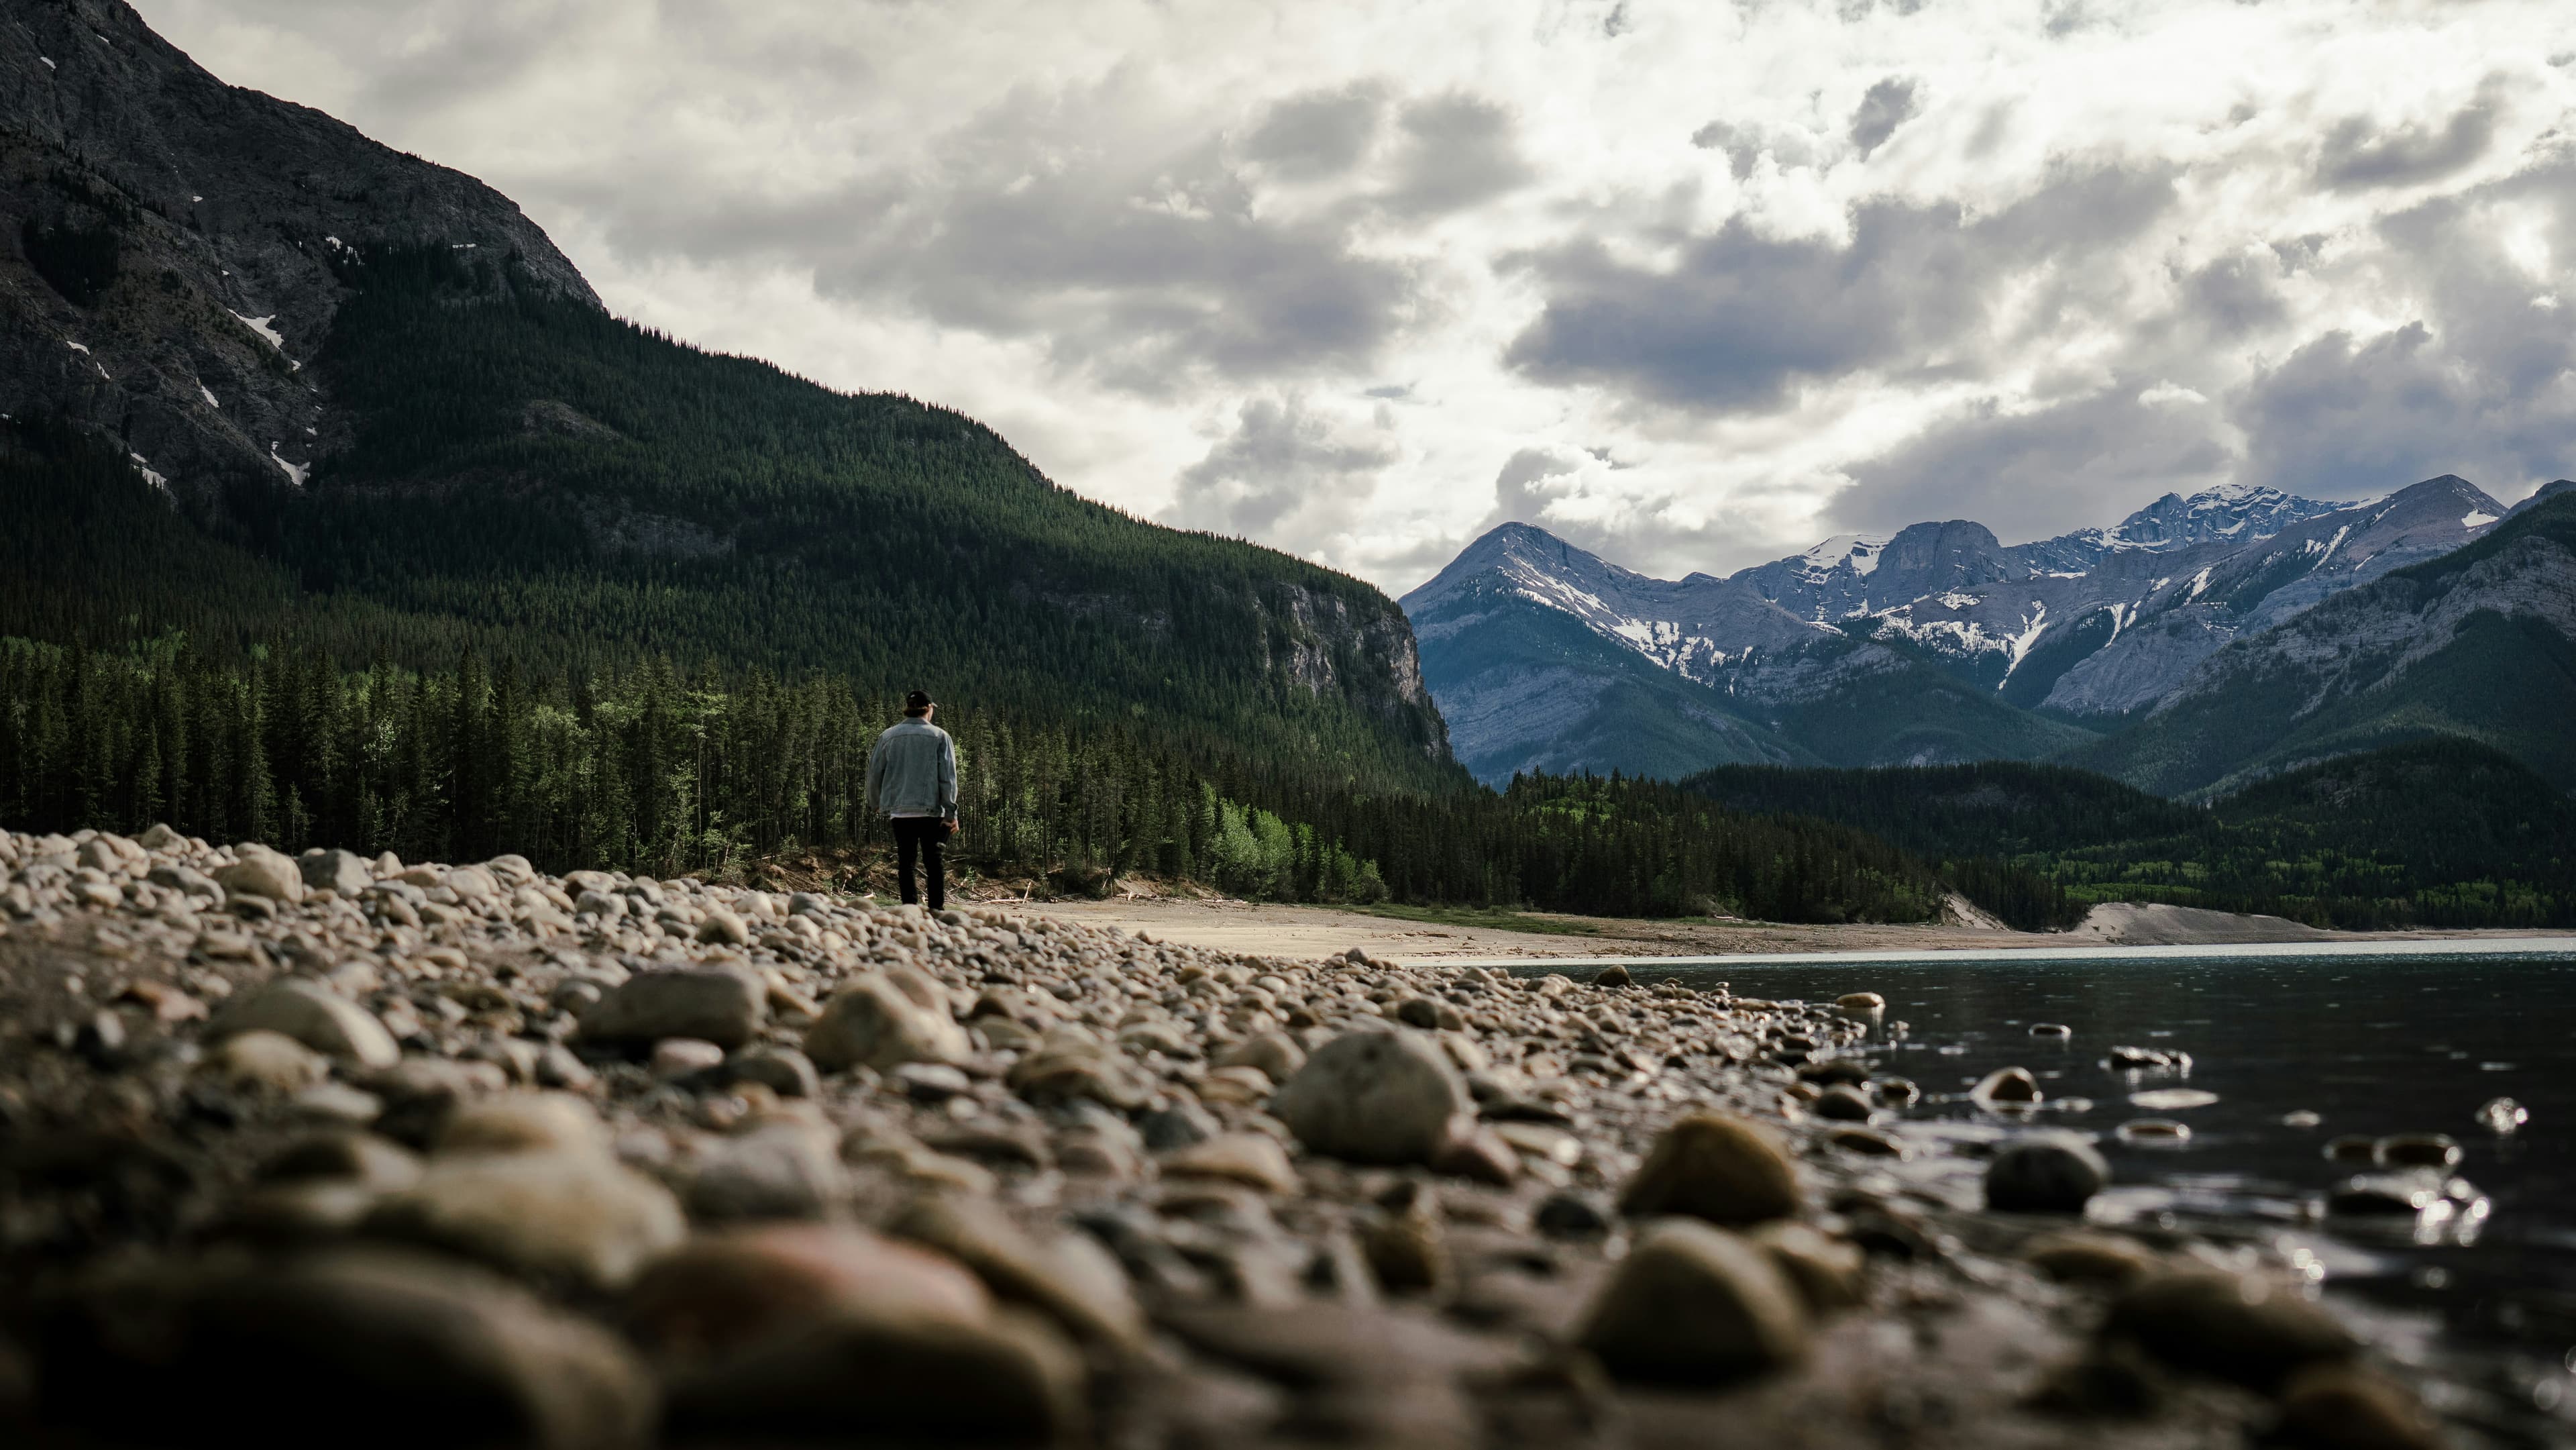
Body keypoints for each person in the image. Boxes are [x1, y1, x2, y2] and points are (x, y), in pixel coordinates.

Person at [865, 690, 959, 911]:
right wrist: (950, 812)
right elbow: (948, 779)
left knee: (906, 861)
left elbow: (874, 773)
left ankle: (909, 909)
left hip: (899, 810)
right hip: (931, 812)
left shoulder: (888, 736)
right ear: (928, 709)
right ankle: (936, 911)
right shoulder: (940, 736)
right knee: (933, 862)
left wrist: (876, 802)